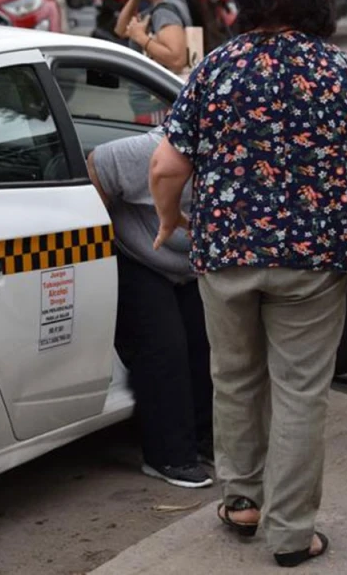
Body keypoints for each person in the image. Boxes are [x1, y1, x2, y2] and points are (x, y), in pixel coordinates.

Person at [148, 0, 347, 569]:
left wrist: (169, 221)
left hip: (226, 252)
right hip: (315, 259)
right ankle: (291, 534)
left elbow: (164, 166)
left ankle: (241, 501)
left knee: (233, 379)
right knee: (300, 392)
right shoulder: (345, 73)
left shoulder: (215, 70)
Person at [86, 128, 214, 489]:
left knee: (206, 343)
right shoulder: (151, 150)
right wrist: (99, 248)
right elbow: (96, 166)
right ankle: (168, 456)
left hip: (188, 265)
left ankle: (203, 438)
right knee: (163, 347)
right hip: (137, 255)